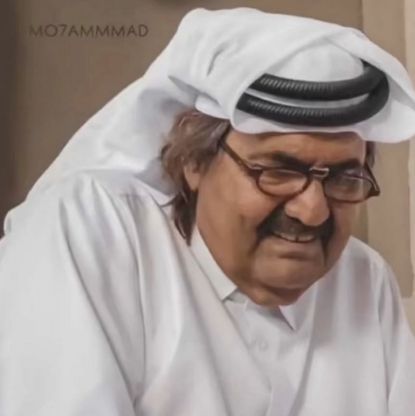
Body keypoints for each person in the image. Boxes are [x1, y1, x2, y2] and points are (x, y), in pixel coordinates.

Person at [0, 7, 414, 416]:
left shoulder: (365, 280)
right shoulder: (93, 234)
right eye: (278, 171)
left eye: (343, 177)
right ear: (194, 162)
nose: (312, 211)